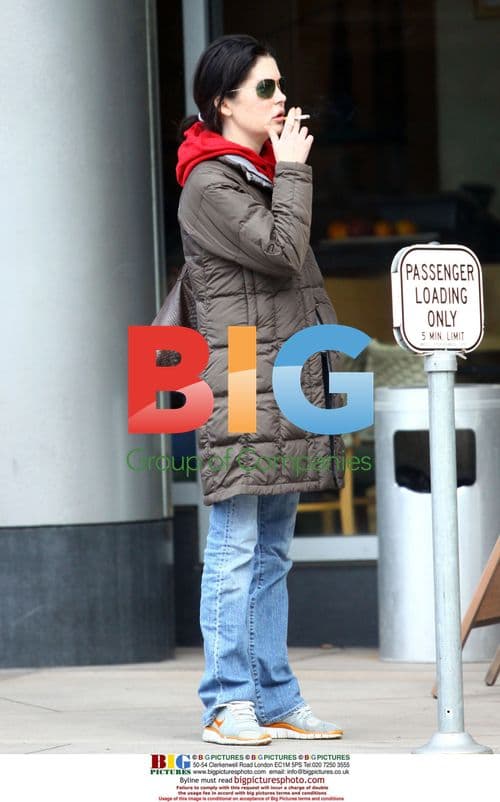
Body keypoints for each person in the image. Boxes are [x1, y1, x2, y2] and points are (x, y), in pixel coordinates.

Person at [175, 34, 345, 745]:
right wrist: (298, 172)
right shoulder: (210, 181)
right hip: (240, 372)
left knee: (273, 547)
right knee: (237, 544)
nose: (281, 100)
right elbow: (278, 255)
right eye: (266, 89)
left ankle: (273, 695)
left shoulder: (256, 170)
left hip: (282, 371)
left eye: (281, 85)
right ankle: (226, 702)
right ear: (224, 101)